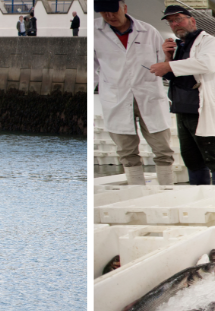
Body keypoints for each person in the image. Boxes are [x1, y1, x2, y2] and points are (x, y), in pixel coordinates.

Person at [93, 0, 174, 186]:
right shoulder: (95, 32)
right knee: (126, 151)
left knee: (163, 149)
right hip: (117, 98)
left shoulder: (148, 31)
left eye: (113, 11)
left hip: (149, 96)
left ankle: (167, 193)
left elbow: (161, 61)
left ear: (125, 8)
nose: (109, 16)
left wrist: (168, 58)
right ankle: (136, 193)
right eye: (104, 12)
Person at [149, 5, 215, 185]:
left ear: (192, 20)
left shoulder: (209, 42)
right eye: (171, 22)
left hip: (201, 108)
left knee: (213, 155)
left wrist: (168, 66)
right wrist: (168, 58)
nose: (175, 24)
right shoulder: (179, 47)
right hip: (182, 110)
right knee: (191, 157)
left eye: (179, 19)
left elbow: (206, 64)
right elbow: (175, 74)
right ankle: (199, 196)